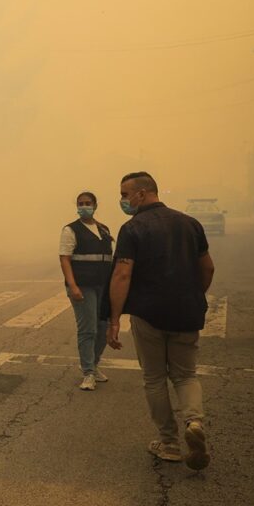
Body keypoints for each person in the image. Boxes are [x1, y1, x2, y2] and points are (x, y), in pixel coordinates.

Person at [107, 173, 216, 470]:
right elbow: (207, 268)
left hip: (149, 314)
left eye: (125, 195)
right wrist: (192, 296)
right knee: (185, 375)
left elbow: (122, 274)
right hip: (187, 313)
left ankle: (168, 443)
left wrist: (114, 319)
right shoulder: (190, 223)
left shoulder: (133, 229)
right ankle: (193, 422)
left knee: (154, 378)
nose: (123, 201)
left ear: (142, 194)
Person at [59, 191, 114, 391]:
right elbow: (64, 258)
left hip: (104, 286)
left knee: (103, 328)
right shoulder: (70, 230)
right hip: (83, 286)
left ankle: (95, 363)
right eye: (81, 203)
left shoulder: (104, 229)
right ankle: (88, 373)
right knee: (88, 329)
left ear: (95, 205)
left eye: (88, 203)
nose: (84, 206)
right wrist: (73, 286)